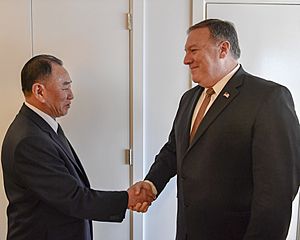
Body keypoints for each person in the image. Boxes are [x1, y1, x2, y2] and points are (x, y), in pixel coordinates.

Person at [133, 19, 300, 240]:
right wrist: (152, 183)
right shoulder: (189, 98)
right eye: (186, 51)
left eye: (193, 50)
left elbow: (276, 193)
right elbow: (174, 149)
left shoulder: (268, 98)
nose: (186, 59)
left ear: (223, 49)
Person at [1, 54, 154, 240]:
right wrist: (128, 198)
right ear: (39, 92)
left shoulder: (41, 126)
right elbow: (73, 198)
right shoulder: (30, 140)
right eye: (65, 86)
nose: (71, 94)